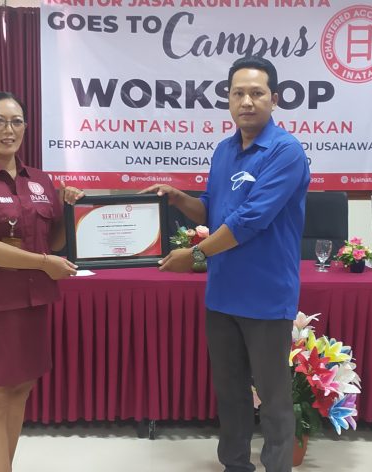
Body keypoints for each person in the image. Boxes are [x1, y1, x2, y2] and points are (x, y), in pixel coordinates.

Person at [142, 56, 310, 472]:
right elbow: (213, 210)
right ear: (229, 99)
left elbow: (250, 220)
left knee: (273, 400)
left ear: (274, 99)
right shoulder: (224, 150)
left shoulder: (286, 152)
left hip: (266, 296)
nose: (246, 102)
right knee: (230, 394)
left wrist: (196, 255)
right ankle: (235, 465)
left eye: (256, 93)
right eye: (238, 93)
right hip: (222, 295)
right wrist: (179, 198)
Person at [0, 92, 84, 472]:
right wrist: (43, 263)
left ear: (25, 126)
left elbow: (53, 242)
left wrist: (67, 209)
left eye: (16, 121)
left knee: (20, 390)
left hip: (32, 303)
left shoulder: (40, 180)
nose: (8, 129)